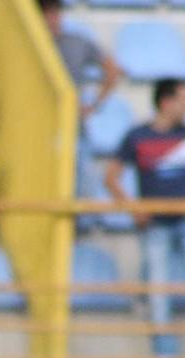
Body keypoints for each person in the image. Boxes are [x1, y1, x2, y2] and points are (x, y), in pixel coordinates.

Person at [105, 78, 185, 358]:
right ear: (166, 102)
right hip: (156, 225)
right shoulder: (138, 136)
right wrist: (134, 209)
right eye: (183, 100)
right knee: (159, 294)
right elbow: (112, 177)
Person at [40, 0, 122, 225]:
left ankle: (78, 236)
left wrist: (94, 105)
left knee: (84, 187)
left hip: (72, 125)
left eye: (55, 12)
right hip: (38, 127)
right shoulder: (30, 46)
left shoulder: (76, 42)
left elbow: (113, 69)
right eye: (46, 13)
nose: (52, 18)